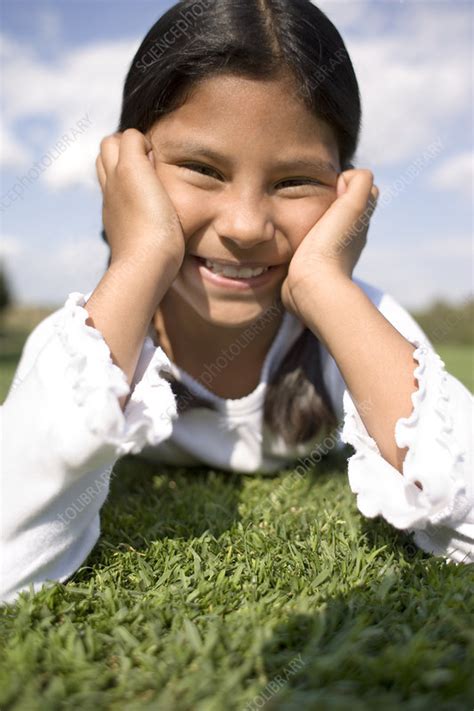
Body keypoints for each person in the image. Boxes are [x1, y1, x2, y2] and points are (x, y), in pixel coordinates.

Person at [1, 0, 472, 605]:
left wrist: (327, 287)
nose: (247, 226)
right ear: (127, 168)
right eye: (201, 168)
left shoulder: (352, 318)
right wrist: (141, 257)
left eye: (294, 180)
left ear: (344, 191)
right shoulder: (88, 340)